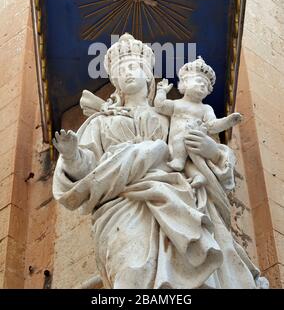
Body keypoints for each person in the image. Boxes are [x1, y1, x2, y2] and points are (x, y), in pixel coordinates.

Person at [52, 33, 268, 289]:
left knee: (190, 272)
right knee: (130, 272)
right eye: (121, 71)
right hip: (121, 204)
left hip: (175, 195)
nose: (128, 73)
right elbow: (87, 171)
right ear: (115, 81)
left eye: (134, 67)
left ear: (148, 75)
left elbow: (196, 149)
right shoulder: (101, 121)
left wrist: (213, 150)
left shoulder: (167, 114)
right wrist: (70, 154)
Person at [154, 58, 242, 189]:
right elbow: (160, 106)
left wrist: (227, 121)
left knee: (192, 159)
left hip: (195, 141)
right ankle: (189, 170)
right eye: (199, 81)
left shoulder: (206, 108)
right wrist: (161, 91)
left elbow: (213, 126)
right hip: (175, 142)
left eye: (206, 86)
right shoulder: (177, 104)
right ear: (185, 83)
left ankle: (194, 173)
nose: (203, 86)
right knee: (184, 156)